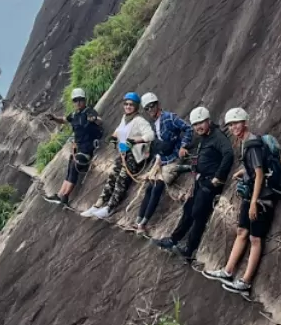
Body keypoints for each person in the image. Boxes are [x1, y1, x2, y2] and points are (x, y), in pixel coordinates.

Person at [202, 107, 277, 295]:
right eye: (231, 124)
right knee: (242, 231)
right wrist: (243, 171)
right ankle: (227, 271)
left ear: (244, 122)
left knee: (255, 238)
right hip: (251, 195)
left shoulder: (251, 144)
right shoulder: (246, 142)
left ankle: (246, 281)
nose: (233, 127)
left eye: (236, 123)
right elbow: (255, 168)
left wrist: (253, 203)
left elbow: (260, 174)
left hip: (261, 199)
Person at [153, 106, 233, 261]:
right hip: (200, 180)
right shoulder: (205, 137)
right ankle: (174, 239)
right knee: (188, 209)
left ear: (208, 120)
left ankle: (189, 250)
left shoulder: (218, 137)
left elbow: (228, 154)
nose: (198, 127)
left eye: (201, 123)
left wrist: (217, 178)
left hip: (210, 183)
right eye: (195, 125)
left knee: (198, 214)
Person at [81, 92, 155, 220]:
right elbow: (119, 130)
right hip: (123, 154)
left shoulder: (139, 120)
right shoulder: (125, 118)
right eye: (126, 104)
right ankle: (98, 205)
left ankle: (110, 207)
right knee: (112, 177)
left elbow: (150, 135)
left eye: (131, 105)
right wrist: (114, 138)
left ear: (136, 106)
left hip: (134, 156)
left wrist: (134, 141)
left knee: (121, 179)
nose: (128, 106)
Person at [133, 92, 193, 235]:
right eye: (147, 108)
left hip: (174, 159)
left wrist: (183, 145)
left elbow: (188, 128)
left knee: (157, 186)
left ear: (158, 104)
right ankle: (138, 220)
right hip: (163, 160)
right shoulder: (154, 125)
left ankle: (143, 223)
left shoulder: (169, 118)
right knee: (149, 187)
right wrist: (155, 163)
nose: (150, 110)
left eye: (152, 106)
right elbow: (158, 146)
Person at [42, 88, 104, 207]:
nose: (78, 102)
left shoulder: (89, 111)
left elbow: (99, 121)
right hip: (78, 147)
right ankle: (60, 194)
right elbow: (64, 120)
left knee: (75, 167)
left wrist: (94, 119)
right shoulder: (74, 114)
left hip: (87, 147)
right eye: (76, 100)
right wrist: (54, 118)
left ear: (84, 100)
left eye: (80, 100)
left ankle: (65, 196)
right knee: (70, 169)